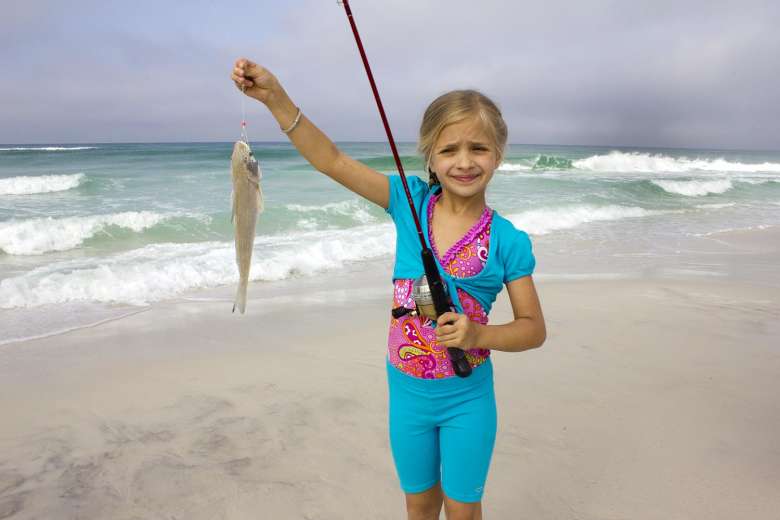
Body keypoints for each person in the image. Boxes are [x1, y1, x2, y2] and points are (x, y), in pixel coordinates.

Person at [231, 58, 546, 520]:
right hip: (408, 395)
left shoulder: (508, 241)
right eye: (449, 149)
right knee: (419, 506)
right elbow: (330, 160)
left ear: (498, 155)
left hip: (468, 399)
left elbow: (533, 329)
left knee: (462, 510)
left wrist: (480, 336)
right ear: (430, 157)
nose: (463, 161)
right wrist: (275, 97)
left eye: (478, 148)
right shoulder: (408, 201)